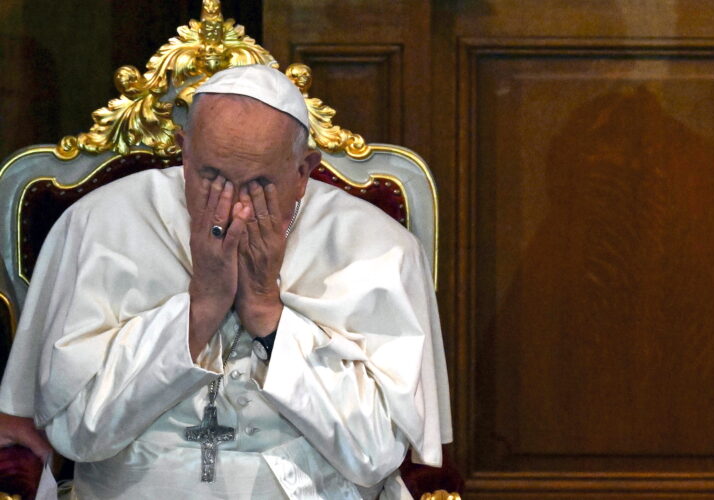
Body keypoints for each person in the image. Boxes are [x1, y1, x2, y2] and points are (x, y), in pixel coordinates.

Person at [0, 64, 451, 499]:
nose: (232, 206)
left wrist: (266, 312)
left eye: (258, 185)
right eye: (211, 177)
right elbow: (78, 435)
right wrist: (200, 309)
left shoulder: (377, 248)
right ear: (184, 149)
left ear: (303, 171)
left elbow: (375, 453)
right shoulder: (99, 225)